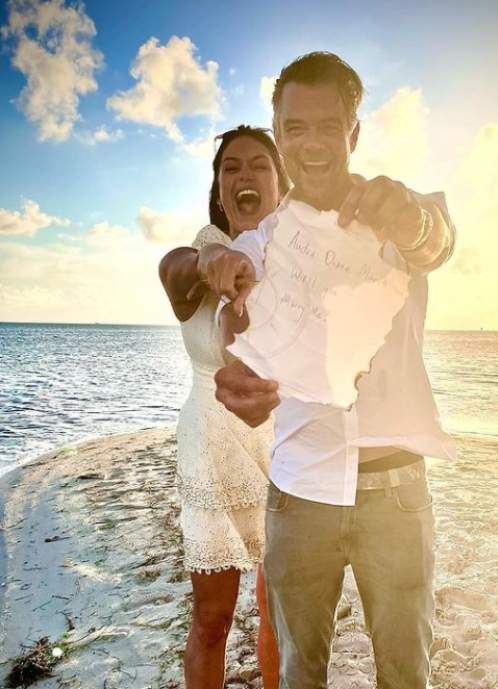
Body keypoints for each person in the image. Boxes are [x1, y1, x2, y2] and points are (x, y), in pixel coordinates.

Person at [213, 52, 457, 689]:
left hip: (397, 492)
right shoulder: (260, 243)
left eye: (329, 126)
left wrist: (413, 222)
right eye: (295, 128)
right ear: (278, 131)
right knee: (299, 673)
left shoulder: (400, 210)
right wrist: (234, 373)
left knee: (407, 674)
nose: (312, 143)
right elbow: (231, 326)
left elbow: (436, 240)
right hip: (298, 493)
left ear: (355, 131)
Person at [159, 125, 288, 689]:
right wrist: (212, 256)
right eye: (230, 167)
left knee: (279, 611)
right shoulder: (201, 255)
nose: (244, 175)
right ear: (218, 189)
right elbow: (173, 267)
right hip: (212, 447)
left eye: (259, 164)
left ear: (281, 185)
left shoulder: (298, 264)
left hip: (284, 444)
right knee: (213, 616)